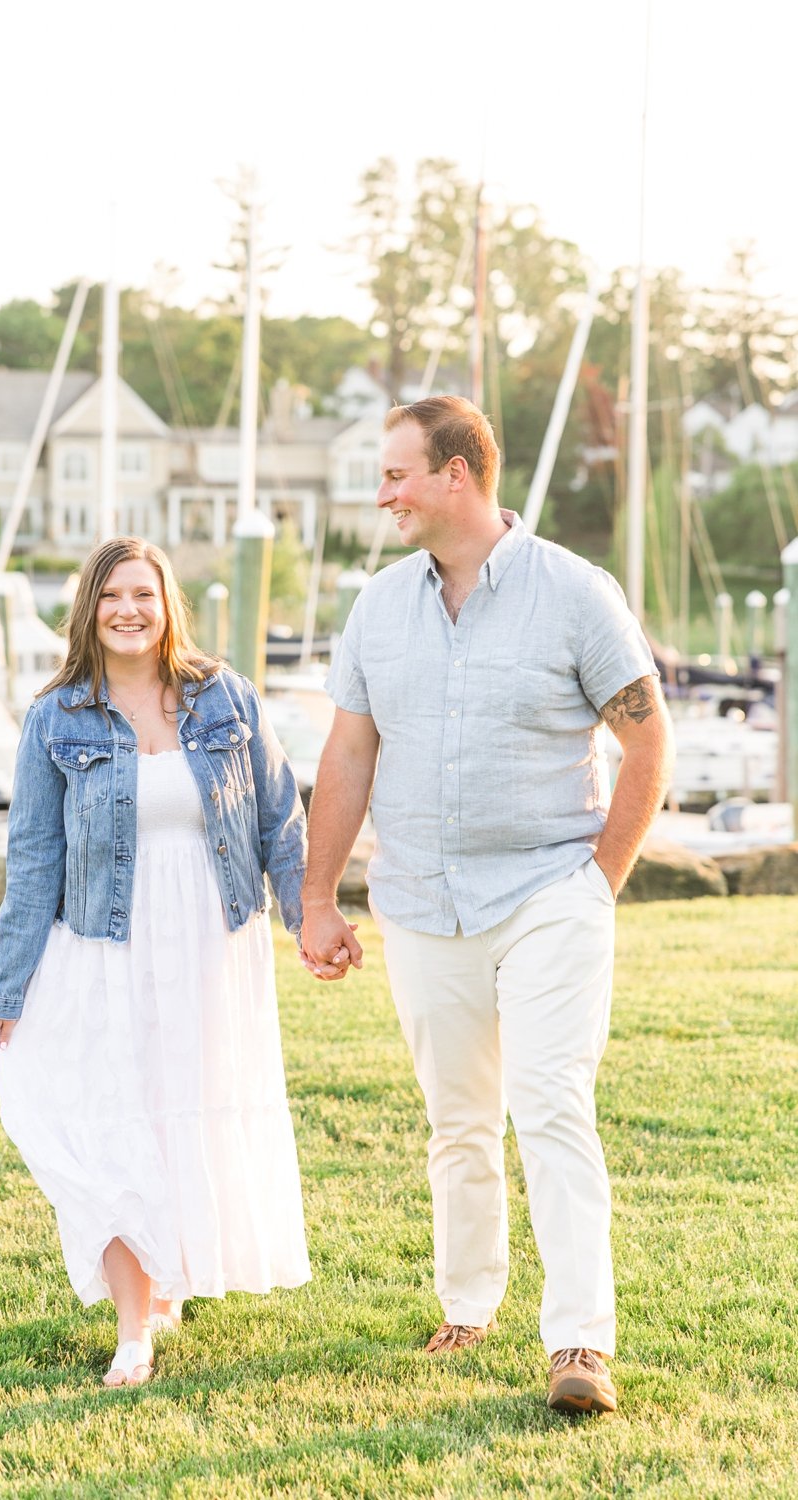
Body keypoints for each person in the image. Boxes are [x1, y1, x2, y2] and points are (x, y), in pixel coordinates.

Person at [300, 396, 674, 1416]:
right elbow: (347, 753)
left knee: (549, 1103)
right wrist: (319, 895)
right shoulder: (379, 605)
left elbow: (646, 740)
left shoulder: (572, 592)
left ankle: (579, 1345)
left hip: (550, 889)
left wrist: (597, 880)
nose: (381, 494)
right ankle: (468, 1302)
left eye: (394, 475)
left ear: (456, 474)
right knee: (457, 1120)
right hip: (421, 900)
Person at [0, 536, 311, 1388]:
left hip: (212, 943)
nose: (128, 610)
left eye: (144, 594)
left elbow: (282, 820)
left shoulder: (224, 697)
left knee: (182, 1107)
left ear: (167, 606)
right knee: (115, 1115)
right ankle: (135, 1328)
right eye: (111, 596)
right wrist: (8, 987)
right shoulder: (56, 718)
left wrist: (312, 920)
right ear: (89, 610)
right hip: (101, 947)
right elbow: (33, 862)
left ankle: (166, 1278)